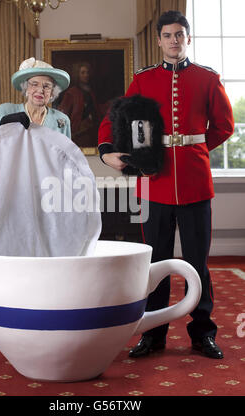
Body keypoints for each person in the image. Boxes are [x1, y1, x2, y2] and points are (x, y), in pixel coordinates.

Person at [98, 10, 234, 359]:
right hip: (154, 184)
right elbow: (114, 121)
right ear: (158, 40)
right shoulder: (143, 80)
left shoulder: (207, 78)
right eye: (168, 35)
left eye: (180, 34)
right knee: (155, 263)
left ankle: (202, 333)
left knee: (196, 262)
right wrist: (108, 152)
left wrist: (194, 148)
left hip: (194, 184)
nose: (174, 40)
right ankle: (152, 335)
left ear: (187, 38)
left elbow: (223, 126)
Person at [0, 57, 71, 141]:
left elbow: (67, 156)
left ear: (52, 93)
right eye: (34, 84)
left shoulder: (61, 119)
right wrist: (5, 120)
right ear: (26, 88)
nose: (40, 90)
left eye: (46, 86)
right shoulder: (7, 111)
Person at [58, 62, 105, 147]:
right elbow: (62, 114)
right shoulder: (72, 93)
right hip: (78, 134)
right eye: (83, 72)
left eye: (87, 72)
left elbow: (97, 111)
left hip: (91, 132)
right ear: (78, 75)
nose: (86, 75)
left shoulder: (91, 92)